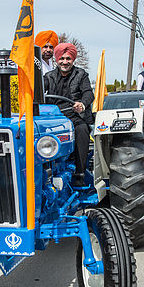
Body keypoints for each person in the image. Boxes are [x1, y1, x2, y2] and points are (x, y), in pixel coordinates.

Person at [44, 43, 95, 186]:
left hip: (75, 115)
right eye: (62, 58)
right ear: (56, 60)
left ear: (73, 60)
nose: (65, 62)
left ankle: (80, 173)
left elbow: (88, 93)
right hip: (55, 118)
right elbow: (38, 92)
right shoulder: (48, 76)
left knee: (82, 130)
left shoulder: (81, 74)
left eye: (68, 59)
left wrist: (82, 104)